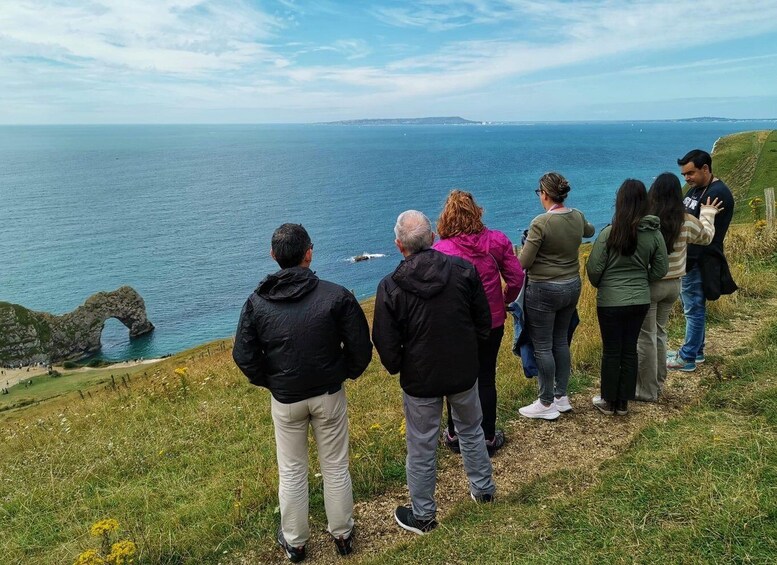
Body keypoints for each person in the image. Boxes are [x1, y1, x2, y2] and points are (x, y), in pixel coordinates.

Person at [232, 223, 372, 563]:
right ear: (309, 253)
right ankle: (342, 534)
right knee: (335, 465)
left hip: (286, 399)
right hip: (328, 394)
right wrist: (344, 373)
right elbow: (360, 347)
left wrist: (273, 381)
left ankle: (295, 542)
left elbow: (244, 355)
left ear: (273, 256)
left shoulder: (256, 302)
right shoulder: (336, 295)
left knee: (292, 470)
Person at [372, 210, 496, 535]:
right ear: (432, 238)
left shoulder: (390, 286)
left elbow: (385, 341)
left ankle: (424, 515)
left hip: (420, 378)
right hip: (462, 370)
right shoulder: (464, 271)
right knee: (471, 429)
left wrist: (400, 366)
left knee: (422, 444)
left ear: (399, 246)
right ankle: (483, 490)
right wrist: (469, 352)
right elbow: (484, 321)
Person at [433, 190, 524, 456]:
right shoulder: (496, 241)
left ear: (446, 217)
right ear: (477, 212)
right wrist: (504, 299)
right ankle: (487, 437)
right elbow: (516, 278)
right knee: (486, 377)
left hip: (456, 325)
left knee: (457, 379)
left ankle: (454, 435)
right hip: (492, 320)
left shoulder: (440, 250)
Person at [636, 173, 722, 401]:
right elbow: (706, 237)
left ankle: (646, 388)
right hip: (674, 284)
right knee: (660, 333)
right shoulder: (685, 221)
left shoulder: (647, 220)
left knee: (646, 336)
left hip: (651, 285)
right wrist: (707, 213)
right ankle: (659, 383)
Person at [586, 179, 668, 415]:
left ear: (619, 201)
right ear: (645, 202)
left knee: (612, 350)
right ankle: (623, 403)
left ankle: (608, 400)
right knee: (629, 349)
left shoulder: (610, 233)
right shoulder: (654, 233)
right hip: (640, 299)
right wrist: (644, 279)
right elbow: (661, 269)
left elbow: (594, 268)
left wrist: (602, 284)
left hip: (610, 301)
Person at [518, 172, 595, 420]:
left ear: (545, 194)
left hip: (544, 289)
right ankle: (561, 396)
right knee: (561, 341)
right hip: (571, 284)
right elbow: (589, 231)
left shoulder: (540, 223)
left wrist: (526, 243)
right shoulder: (577, 215)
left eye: (539, 193)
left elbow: (524, 262)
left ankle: (546, 402)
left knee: (542, 346)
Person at [667, 149, 736, 372]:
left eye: (691, 173)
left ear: (705, 168)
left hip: (699, 259)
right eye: (684, 174)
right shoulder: (697, 188)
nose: (686, 178)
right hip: (692, 257)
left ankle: (687, 357)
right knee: (693, 306)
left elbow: (703, 234)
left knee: (693, 308)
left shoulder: (715, 194)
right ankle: (696, 352)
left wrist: (686, 263)